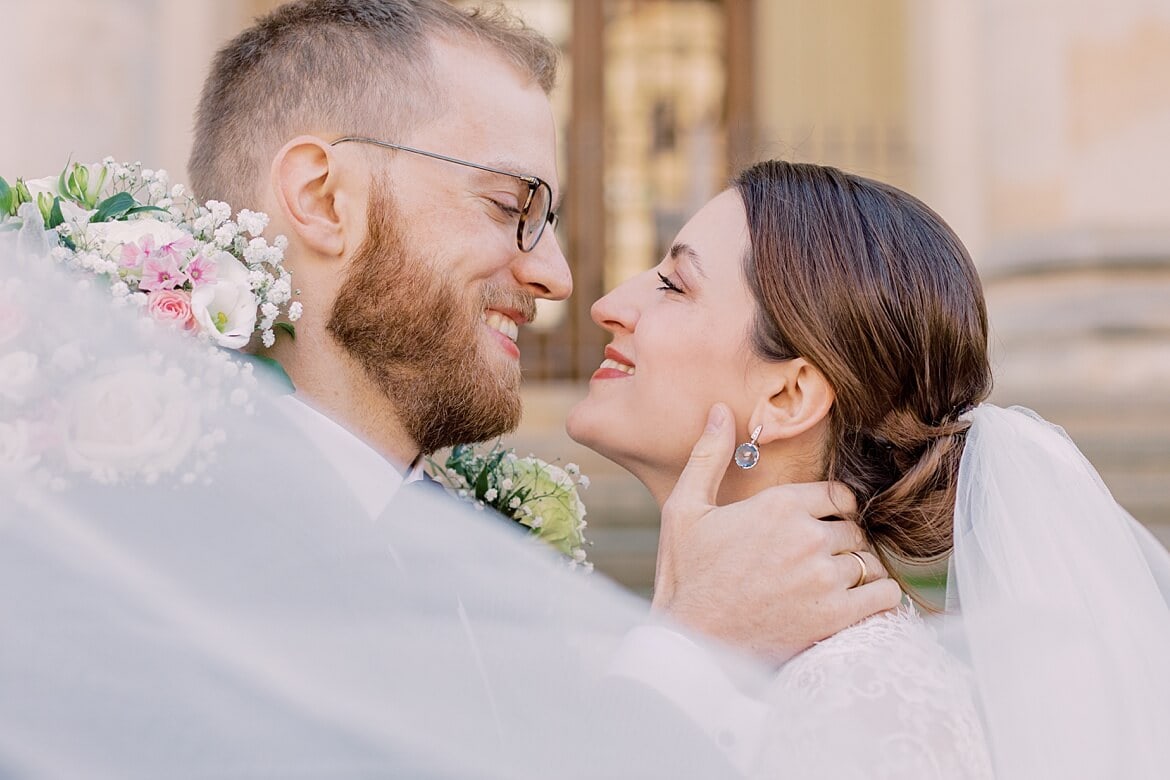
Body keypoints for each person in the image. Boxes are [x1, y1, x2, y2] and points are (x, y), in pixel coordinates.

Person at [184, 0, 897, 659]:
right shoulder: (153, 536)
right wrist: (692, 654)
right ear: (323, 200)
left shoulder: (495, 561)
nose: (559, 278)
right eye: (508, 206)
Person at [568, 159, 1170, 776]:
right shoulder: (744, 655)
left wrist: (676, 650)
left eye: (674, 284)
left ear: (787, 398)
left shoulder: (861, 701)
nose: (608, 305)